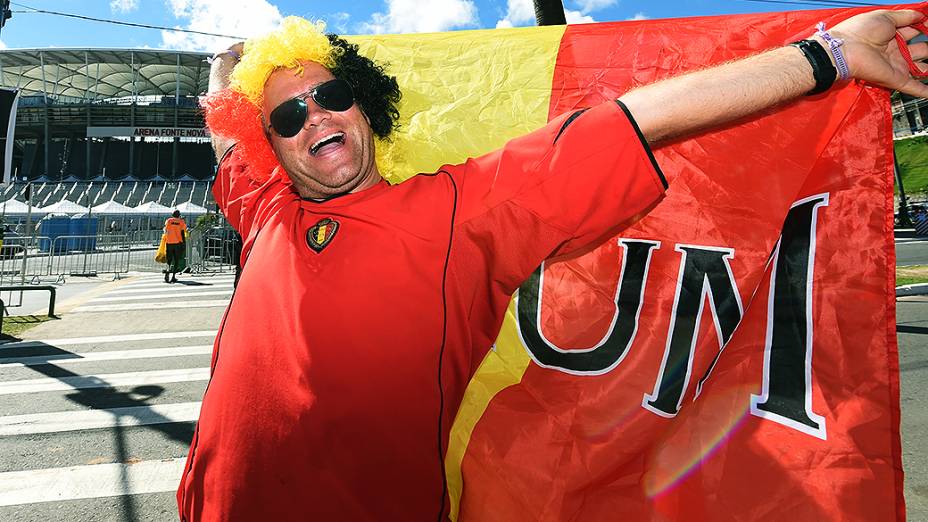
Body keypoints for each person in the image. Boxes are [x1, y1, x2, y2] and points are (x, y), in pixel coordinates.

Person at [177, 10, 928, 521]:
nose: (314, 116)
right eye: (285, 115)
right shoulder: (267, 210)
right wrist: (220, 71)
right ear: (271, 144)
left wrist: (829, 55)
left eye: (330, 95)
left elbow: (642, 117)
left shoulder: (458, 211)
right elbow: (223, 143)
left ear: (364, 107)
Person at [163, 209, 187, 283]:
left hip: (169, 242)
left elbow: (166, 230)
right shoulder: (181, 222)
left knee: (169, 259)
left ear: (172, 215)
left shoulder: (169, 221)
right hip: (177, 242)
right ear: (179, 215)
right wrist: (183, 242)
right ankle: (173, 276)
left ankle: (167, 271)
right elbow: (182, 232)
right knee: (176, 260)